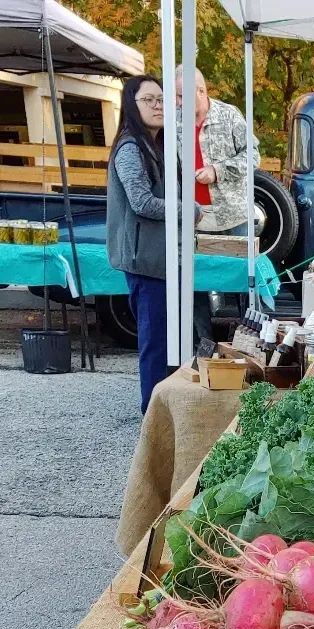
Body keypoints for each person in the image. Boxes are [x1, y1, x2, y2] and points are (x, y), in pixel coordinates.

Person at [107, 76, 186, 413]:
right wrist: (188, 211)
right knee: (155, 344)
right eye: (149, 100)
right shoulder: (130, 149)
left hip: (163, 257)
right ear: (131, 105)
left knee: (169, 339)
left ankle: (164, 408)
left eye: (162, 100)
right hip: (146, 260)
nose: (158, 106)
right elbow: (141, 202)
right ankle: (152, 416)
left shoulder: (161, 146)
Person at [175, 65, 260, 345]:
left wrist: (218, 170)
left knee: (244, 282)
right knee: (193, 283)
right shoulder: (174, 121)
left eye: (181, 97)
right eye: (175, 97)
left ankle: (250, 341)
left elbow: (254, 156)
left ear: (201, 92)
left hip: (233, 216)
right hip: (195, 217)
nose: (177, 103)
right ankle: (203, 342)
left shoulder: (229, 115)